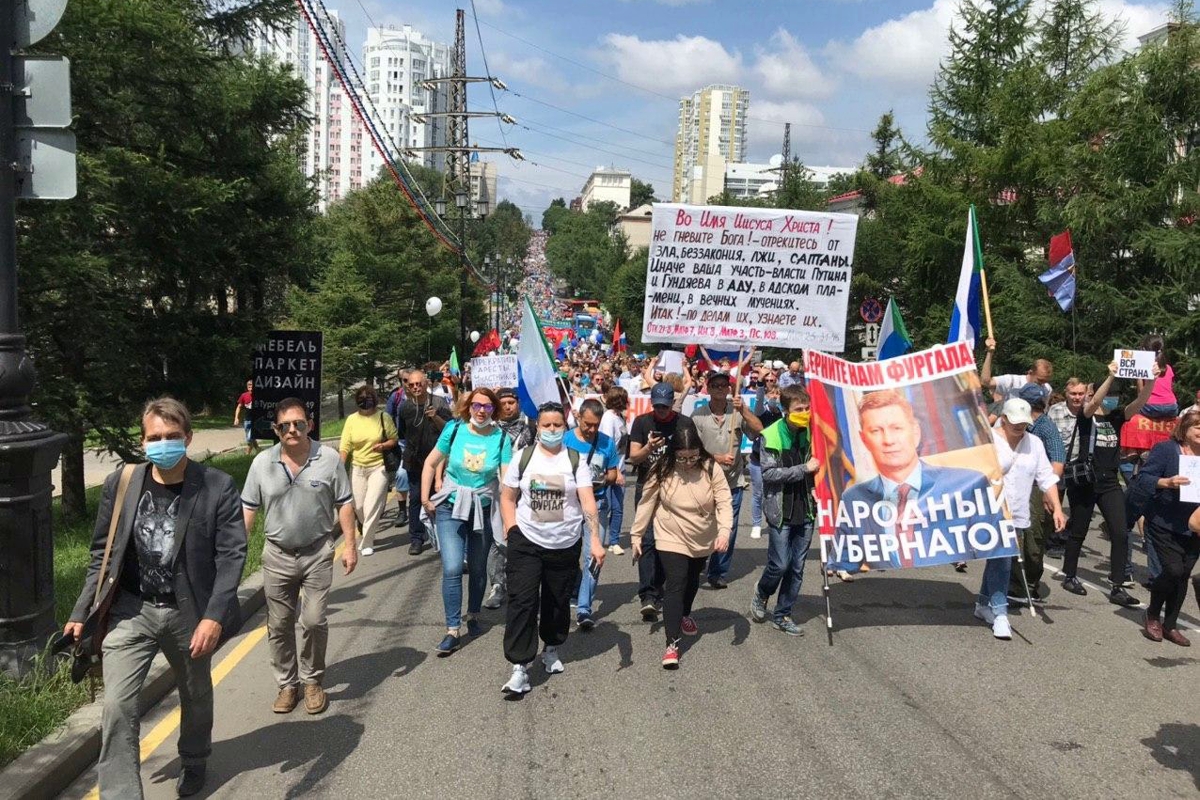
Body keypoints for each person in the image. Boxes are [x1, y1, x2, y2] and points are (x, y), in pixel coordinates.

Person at [64, 398, 246, 798]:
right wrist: (82, 612)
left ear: (188, 437)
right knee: (117, 707)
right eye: (154, 438)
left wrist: (213, 617)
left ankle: (194, 758)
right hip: (131, 610)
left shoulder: (216, 485)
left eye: (172, 437)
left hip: (190, 613)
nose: (163, 444)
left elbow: (232, 554)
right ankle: (122, 793)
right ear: (143, 441)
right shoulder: (123, 483)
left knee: (195, 694)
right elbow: (103, 554)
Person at [241, 398, 358, 716]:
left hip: (317, 552)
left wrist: (350, 545)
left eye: (299, 423)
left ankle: (312, 682)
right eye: (285, 426)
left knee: (313, 620)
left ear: (310, 425)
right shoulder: (262, 464)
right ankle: (287, 685)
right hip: (277, 556)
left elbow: (344, 503)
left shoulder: (329, 459)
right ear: (276, 430)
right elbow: (249, 509)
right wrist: (236, 552)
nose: (293, 430)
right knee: (279, 625)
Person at [829, 390, 1007, 572]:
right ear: (864, 439)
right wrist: (834, 565)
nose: (888, 440)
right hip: (883, 595)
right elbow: (845, 562)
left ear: (915, 432)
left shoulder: (969, 485)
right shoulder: (854, 498)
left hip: (945, 596)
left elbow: (998, 548)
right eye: (876, 431)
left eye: (896, 428)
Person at [498, 403, 605, 694]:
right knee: (522, 601)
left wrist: (595, 538)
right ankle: (519, 667)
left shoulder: (574, 460)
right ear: (537, 427)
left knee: (557, 601)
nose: (552, 430)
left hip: (564, 544)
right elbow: (507, 498)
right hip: (527, 541)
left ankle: (552, 648)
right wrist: (511, 528)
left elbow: (587, 501)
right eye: (546, 425)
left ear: (565, 426)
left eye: (558, 425)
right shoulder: (523, 458)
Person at [626, 424, 731, 667]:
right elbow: (647, 502)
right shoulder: (662, 468)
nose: (687, 463)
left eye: (693, 456)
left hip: (702, 534)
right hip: (670, 532)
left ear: (700, 451)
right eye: (682, 458)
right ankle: (671, 643)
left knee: (692, 578)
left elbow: (724, 500)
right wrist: (636, 535)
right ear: (673, 453)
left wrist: (724, 531)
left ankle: (685, 613)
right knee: (676, 582)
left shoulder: (711, 468)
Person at [422, 388, 512, 655]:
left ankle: (473, 614)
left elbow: (506, 480)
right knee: (451, 567)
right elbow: (430, 463)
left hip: (482, 511)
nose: (481, 411)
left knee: (477, 568)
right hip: (450, 507)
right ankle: (452, 629)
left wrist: (510, 517)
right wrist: (427, 497)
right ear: (468, 407)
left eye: (487, 406)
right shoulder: (454, 429)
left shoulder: (501, 438)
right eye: (476, 405)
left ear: (494, 409)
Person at [1057, 362, 1155, 605]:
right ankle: (1070, 574)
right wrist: (1110, 377)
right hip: (1085, 481)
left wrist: (1151, 380)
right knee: (1078, 530)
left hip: (1110, 482)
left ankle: (1118, 585)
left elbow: (1140, 403)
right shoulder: (1086, 416)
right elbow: (1091, 405)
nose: (1111, 399)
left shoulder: (1116, 418)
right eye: (1108, 395)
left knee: (1121, 533)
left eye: (1115, 396)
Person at [977, 399, 1067, 639]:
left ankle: (983, 604)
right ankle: (1000, 613)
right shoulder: (988, 438)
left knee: (999, 559)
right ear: (1003, 419)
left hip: (1017, 512)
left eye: (1024, 423)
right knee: (1003, 560)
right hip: (990, 511)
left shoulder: (1034, 443)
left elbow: (1047, 478)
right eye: (1014, 422)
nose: (1019, 427)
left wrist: (1057, 508)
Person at [749, 385, 819, 636]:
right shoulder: (771, 434)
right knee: (779, 565)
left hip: (806, 509)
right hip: (780, 509)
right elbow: (768, 474)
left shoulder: (813, 432)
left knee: (797, 567)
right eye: (799, 410)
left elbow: (821, 466)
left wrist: (814, 485)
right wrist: (804, 470)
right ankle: (762, 591)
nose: (804, 413)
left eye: (807, 409)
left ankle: (783, 614)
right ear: (785, 411)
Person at [1127, 410, 1200, 645]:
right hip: (1164, 521)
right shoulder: (1167, 450)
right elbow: (1144, 479)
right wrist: (1166, 482)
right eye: (1197, 426)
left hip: (1195, 525)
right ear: (1185, 429)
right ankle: (1152, 614)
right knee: (1173, 571)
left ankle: (1170, 625)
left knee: (1183, 575)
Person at [627, 382, 698, 620]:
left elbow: (694, 456)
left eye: (665, 407)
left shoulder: (684, 423)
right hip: (647, 487)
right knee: (646, 540)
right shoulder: (642, 422)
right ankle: (647, 595)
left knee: (669, 541)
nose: (661, 411)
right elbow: (633, 457)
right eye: (657, 407)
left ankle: (661, 588)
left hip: (675, 489)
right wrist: (649, 447)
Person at [690, 371, 763, 589]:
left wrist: (744, 410)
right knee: (702, 525)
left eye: (724, 385)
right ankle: (698, 561)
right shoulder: (698, 415)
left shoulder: (738, 412)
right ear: (708, 389)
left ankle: (718, 571)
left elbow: (758, 431)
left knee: (728, 528)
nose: (721, 389)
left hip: (733, 481)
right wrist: (717, 458)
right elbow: (692, 451)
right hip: (705, 480)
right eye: (716, 385)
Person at [1006, 383, 1066, 606]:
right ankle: (1011, 583)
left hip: (1035, 486)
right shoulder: (1008, 424)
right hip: (1012, 483)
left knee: (1032, 537)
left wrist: (1047, 495)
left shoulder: (1045, 428)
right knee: (1009, 535)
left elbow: (1057, 461)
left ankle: (1030, 583)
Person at [565, 398, 620, 629]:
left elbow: (613, 473)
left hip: (596, 506)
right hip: (568, 507)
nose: (592, 429)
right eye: (587, 424)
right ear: (578, 417)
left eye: (596, 425)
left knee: (593, 556)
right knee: (567, 555)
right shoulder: (564, 439)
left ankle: (585, 609)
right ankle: (573, 587)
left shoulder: (606, 443)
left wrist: (600, 480)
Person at [483, 388, 534, 609]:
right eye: (502, 402)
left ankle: (523, 585)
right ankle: (497, 585)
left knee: (524, 537)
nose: (507, 406)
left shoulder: (531, 428)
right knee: (497, 540)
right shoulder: (489, 431)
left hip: (527, 493)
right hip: (496, 490)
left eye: (511, 401)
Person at [396, 371, 453, 555]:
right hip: (414, 459)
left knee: (438, 498)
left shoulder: (438, 402)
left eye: (418, 384)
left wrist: (435, 417)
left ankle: (442, 535)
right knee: (416, 498)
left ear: (425, 383)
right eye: (411, 385)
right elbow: (402, 433)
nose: (415, 388)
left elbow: (451, 429)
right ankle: (416, 538)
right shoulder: (405, 407)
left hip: (437, 460)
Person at [338, 385, 398, 557]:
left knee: (372, 504)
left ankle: (367, 542)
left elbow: (394, 439)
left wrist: (383, 446)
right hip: (357, 467)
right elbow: (345, 446)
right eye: (361, 399)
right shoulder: (351, 420)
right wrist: (340, 466)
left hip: (378, 466)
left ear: (374, 400)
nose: (365, 402)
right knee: (359, 506)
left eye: (368, 398)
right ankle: (367, 528)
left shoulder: (383, 417)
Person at [748, 375, 782, 541]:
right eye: (771, 395)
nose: (774, 397)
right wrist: (761, 383)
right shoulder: (761, 411)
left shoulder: (782, 415)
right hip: (757, 459)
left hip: (775, 459)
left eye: (777, 394)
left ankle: (773, 519)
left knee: (773, 492)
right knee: (758, 493)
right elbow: (759, 397)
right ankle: (756, 524)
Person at [598, 387, 630, 554]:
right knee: (606, 506)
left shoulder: (620, 417)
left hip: (621, 467)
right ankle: (598, 537)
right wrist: (616, 471)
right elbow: (607, 447)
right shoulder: (608, 418)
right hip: (609, 469)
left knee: (618, 507)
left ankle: (614, 540)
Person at [980, 339, 1054, 401]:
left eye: (1045, 381)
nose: (1042, 384)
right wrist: (990, 353)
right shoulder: (1012, 381)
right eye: (1040, 380)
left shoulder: (1047, 389)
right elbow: (985, 382)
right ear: (1030, 372)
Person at [384, 369, 410, 526]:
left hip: (420, 443)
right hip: (402, 442)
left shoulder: (424, 396)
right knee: (401, 474)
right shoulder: (396, 396)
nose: (408, 385)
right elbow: (387, 416)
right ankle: (402, 511)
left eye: (411, 381)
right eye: (404, 381)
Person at [233, 379, 257, 455]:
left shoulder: (259, 395)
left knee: (249, 437)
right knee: (249, 436)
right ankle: (258, 448)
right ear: (247, 387)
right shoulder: (244, 395)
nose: (251, 387)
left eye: (252, 385)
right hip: (247, 420)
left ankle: (247, 453)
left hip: (256, 420)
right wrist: (236, 418)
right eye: (249, 386)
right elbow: (239, 407)